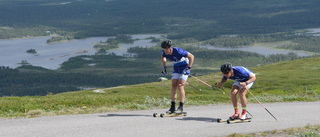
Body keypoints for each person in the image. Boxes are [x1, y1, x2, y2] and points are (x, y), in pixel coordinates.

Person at [161, 40, 194, 114]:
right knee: (174, 84)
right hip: (176, 68)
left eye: (167, 50)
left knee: (180, 85)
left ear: (170, 48)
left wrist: (189, 68)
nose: (166, 51)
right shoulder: (164, 52)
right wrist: (164, 67)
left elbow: (191, 56)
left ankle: (181, 107)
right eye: (164, 49)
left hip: (184, 67)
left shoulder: (178, 51)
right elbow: (163, 57)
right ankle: (172, 107)